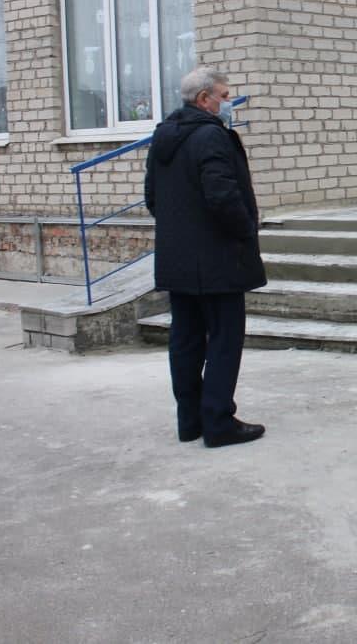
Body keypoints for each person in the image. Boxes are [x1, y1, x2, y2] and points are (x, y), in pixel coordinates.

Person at [144, 66, 268, 448]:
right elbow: (222, 196)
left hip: (178, 261)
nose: (229, 102)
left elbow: (152, 199)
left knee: (186, 340)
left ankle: (191, 421)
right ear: (204, 99)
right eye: (224, 96)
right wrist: (245, 229)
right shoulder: (211, 136)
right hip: (218, 260)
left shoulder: (164, 137)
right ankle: (218, 422)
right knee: (224, 340)